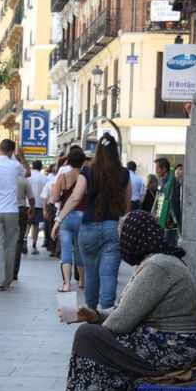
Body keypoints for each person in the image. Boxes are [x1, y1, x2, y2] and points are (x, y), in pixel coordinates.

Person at [58, 210, 196, 391]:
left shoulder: (158, 266)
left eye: (122, 239)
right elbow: (123, 311)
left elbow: (120, 322)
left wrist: (95, 328)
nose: (121, 246)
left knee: (89, 337)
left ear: (134, 238)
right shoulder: (154, 262)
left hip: (175, 350)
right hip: (166, 344)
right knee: (93, 334)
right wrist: (93, 315)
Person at [52, 132, 131, 309]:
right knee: (109, 274)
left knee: (91, 274)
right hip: (112, 227)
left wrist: (59, 220)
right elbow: (127, 207)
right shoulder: (124, 174)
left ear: (97, 151)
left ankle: (91, 312)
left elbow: (74, 198)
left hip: (88, 227)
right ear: (115, 151)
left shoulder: (87, 172)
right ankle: (107, 312)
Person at [0, 140, 31, 290]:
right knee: (10, 245)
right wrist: (22, 156)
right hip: (12, 210)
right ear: (12, 152)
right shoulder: (15, 165)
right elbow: (28, 173)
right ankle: (7, 279)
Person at [51, 148, 86, 291]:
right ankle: (82, 280)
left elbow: (54, 198)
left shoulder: (62, 177)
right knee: (80, 250)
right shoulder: (86, 177)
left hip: (65, 216)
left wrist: (63, 197)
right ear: (83, 161)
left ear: (68, 161)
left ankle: (66, 284)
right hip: (83, 216)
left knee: (66, 250)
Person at [152, 157, 181, 246]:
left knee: (169, 243)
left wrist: (168, 216)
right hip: (162, 216)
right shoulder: (163, 180)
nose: (156, 171)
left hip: (169, 219)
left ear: (164, 168)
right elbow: (161, 197)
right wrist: (157, 214)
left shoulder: (171, 180)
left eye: (157, 169)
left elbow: (171, 199)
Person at [13, 175, 35, 280]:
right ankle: (13, 272)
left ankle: (1, 272)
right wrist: (31, 208)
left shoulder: (0, 176)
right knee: (18, 242)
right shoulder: (23, 180)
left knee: (1, 242)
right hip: (20, 210)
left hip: (2, 210)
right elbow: (31, 198)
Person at [25, 160, 49, 254]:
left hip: (27, 204)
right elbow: (46, 193)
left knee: (27, 224)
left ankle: (24, 239)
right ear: (41, 167)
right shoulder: (44, 178)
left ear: (32, 167)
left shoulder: (28, 177)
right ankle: (34, 246)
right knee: (36, 225)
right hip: (38, 204)